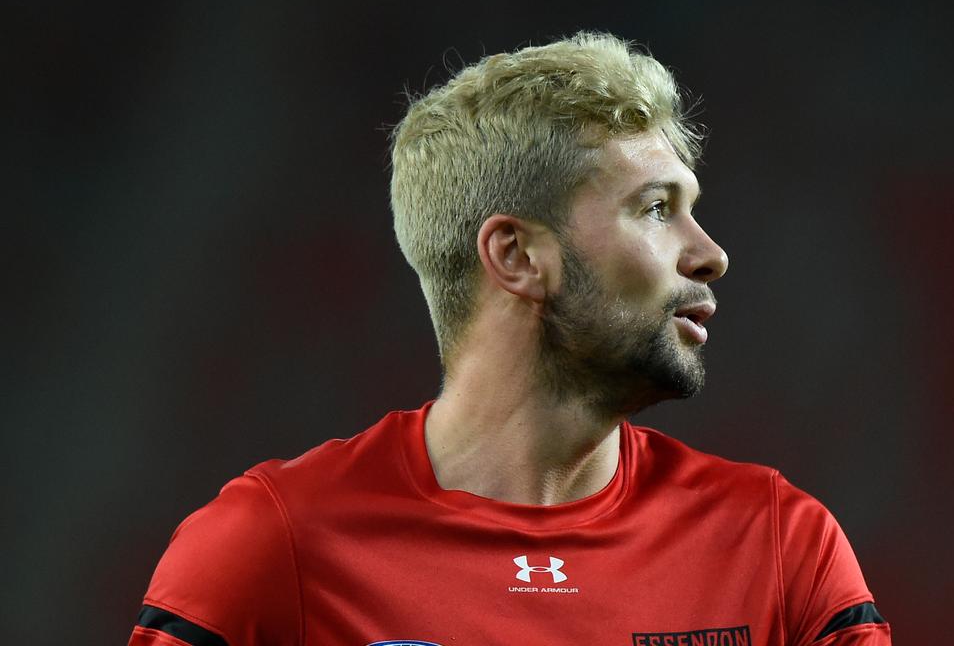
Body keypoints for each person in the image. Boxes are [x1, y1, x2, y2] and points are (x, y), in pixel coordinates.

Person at [128, 32, 892, 646]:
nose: (710, 254)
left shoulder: (780, 545)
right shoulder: (272, 544)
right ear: (518, 257)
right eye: (658, 208)